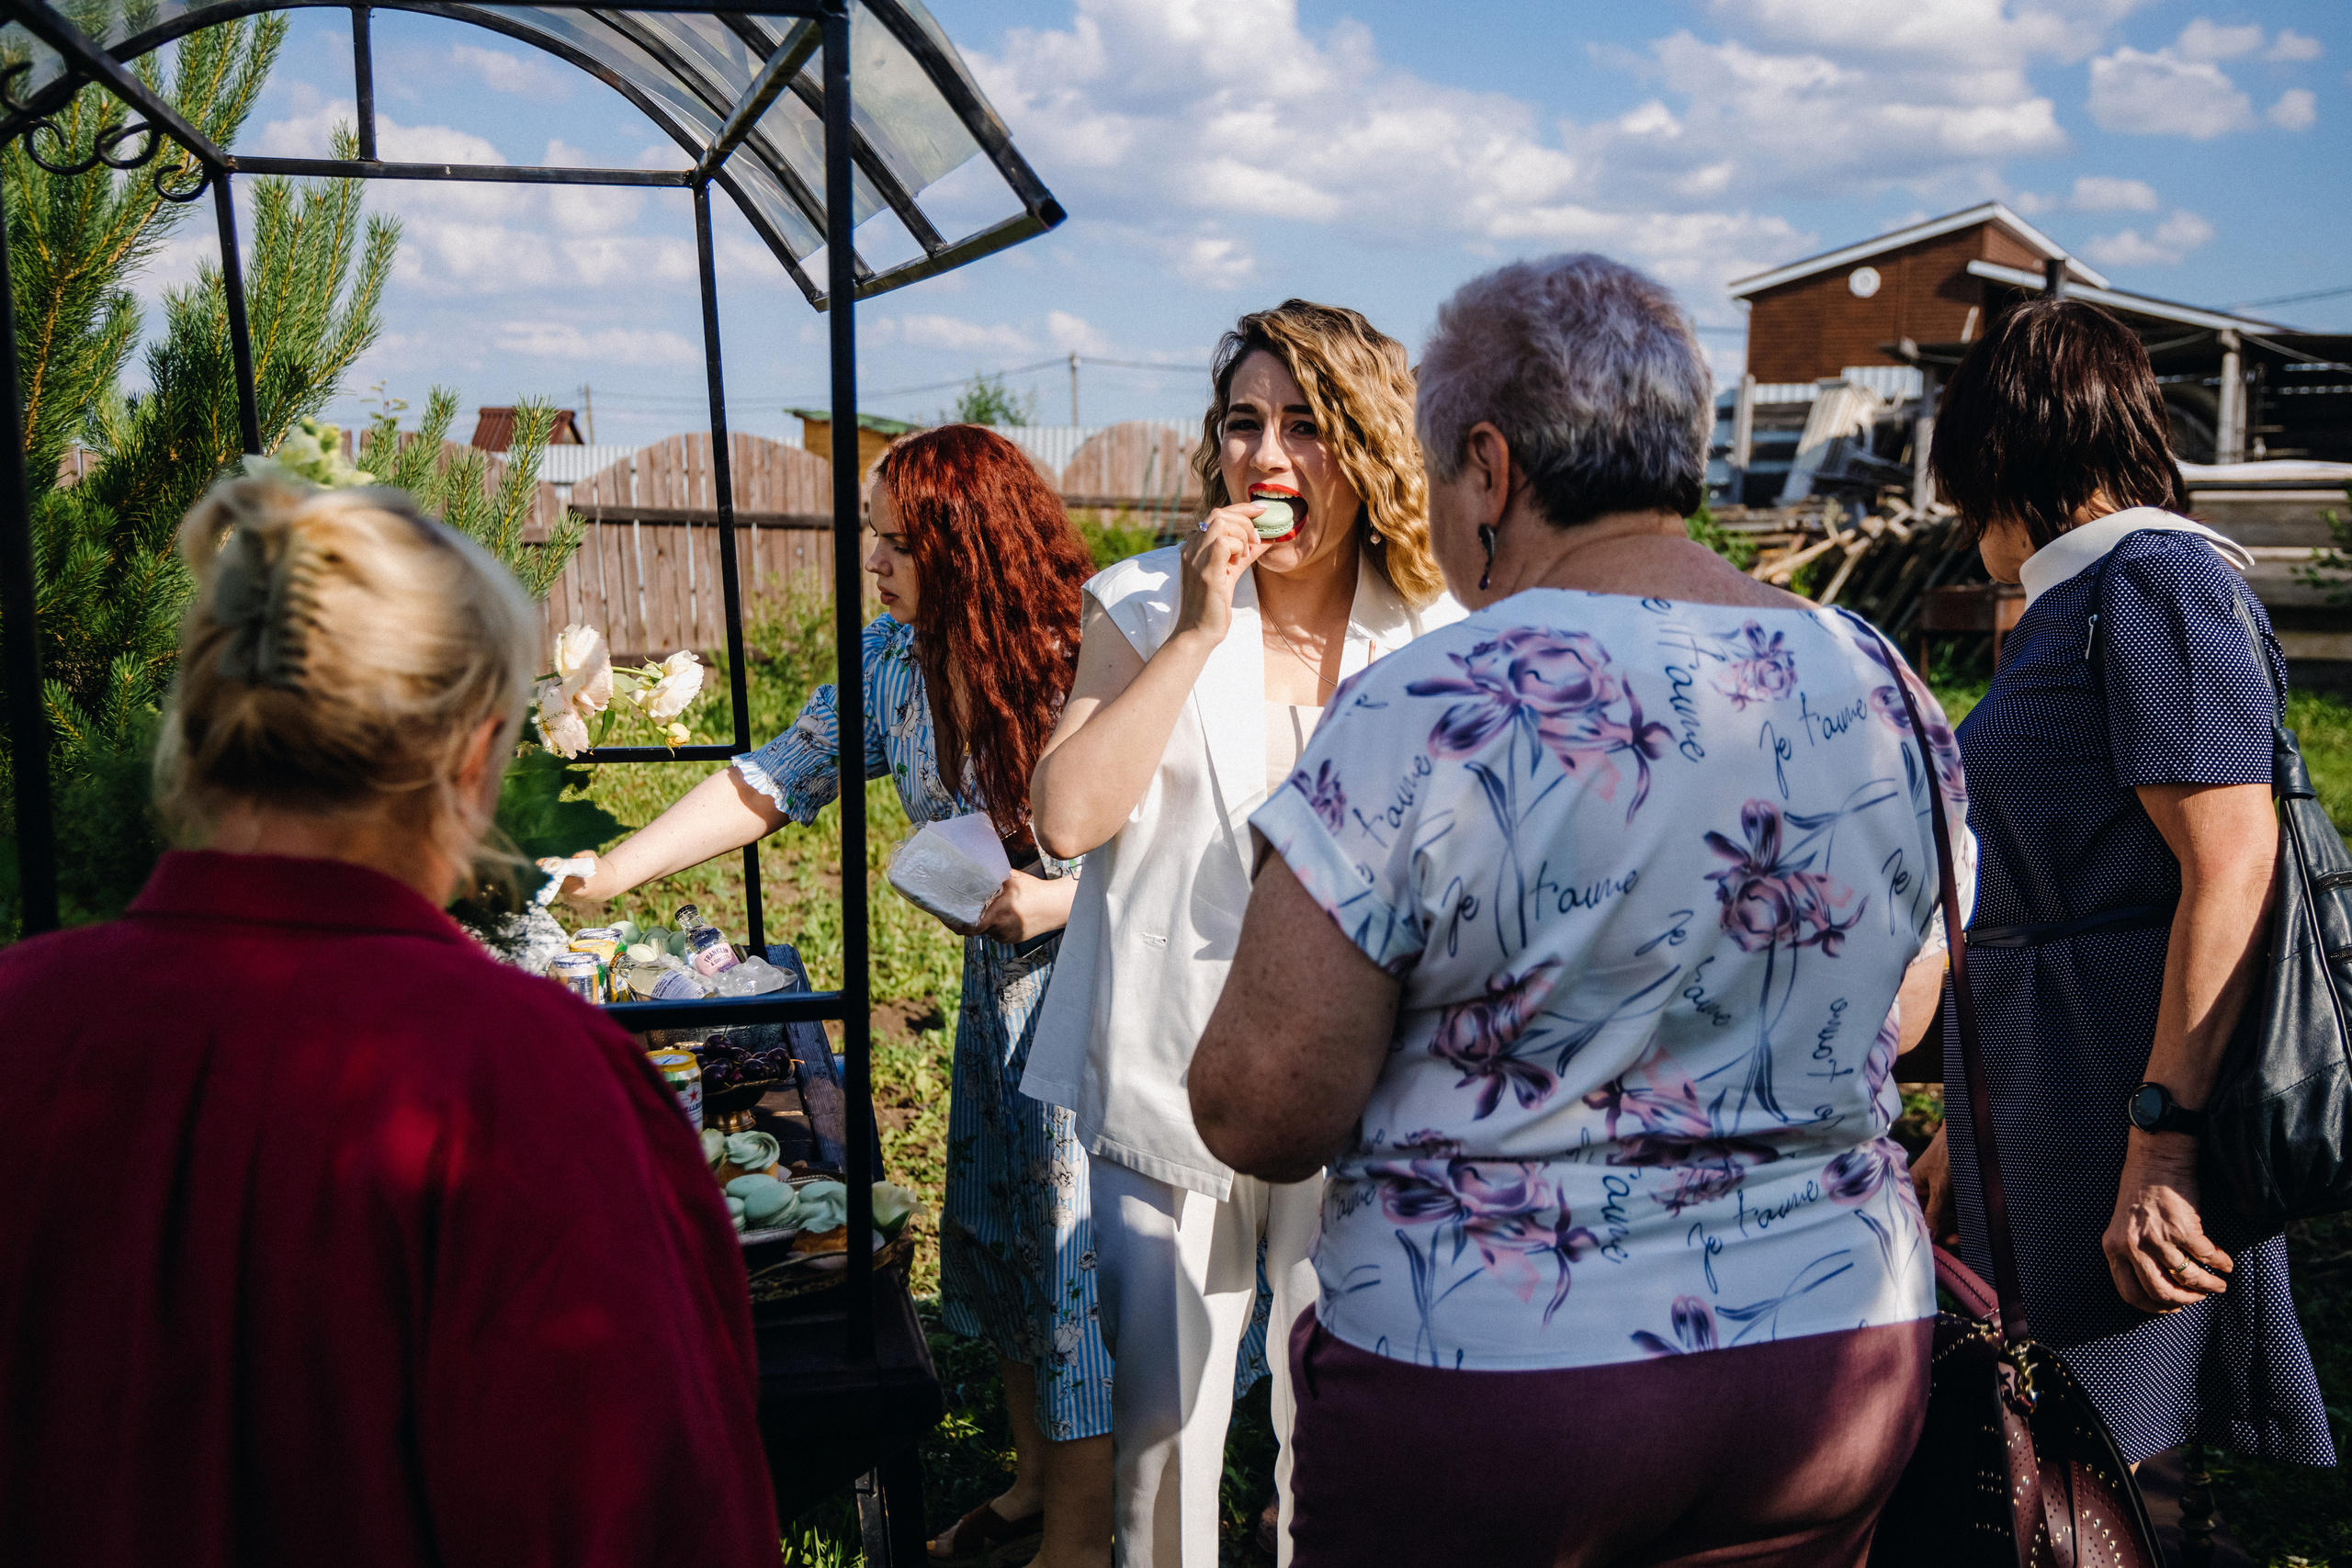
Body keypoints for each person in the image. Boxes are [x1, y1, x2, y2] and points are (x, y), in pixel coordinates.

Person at [1187, 254, 1959, 1568]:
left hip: (1504, 1387)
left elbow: (1263, 1104)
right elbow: (1915, 994)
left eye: (1435, 474)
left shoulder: (1428, 704)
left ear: (1491, 467)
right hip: (1836, 1356)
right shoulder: (1877, 675)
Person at [0, 477, 776, 1565]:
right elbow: (644, 1515)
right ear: (472, 754)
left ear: (202, 730)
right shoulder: (530, 1082)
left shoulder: (19, 1019)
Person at [558, 424, 1116, 1567]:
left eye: (897, 542)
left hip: (1098, 993)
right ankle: (1028, 1483)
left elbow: (1181, 838)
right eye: (872, 538)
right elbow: (777, 773)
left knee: (1076, 1269)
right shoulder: (894, 663)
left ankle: (1082, 1535)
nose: (874, 562)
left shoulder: (1080, 655)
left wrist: (1063, 906)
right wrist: (607, 871)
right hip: (992, 995)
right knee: (1006, 1239)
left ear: (971, 546)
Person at [1023, 299, 1462, 1568]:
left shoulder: (1435, 632)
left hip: (1365, 1083)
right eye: (1243, 422)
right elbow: (1065, 816)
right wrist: (1198, 634)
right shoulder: (1143, 598)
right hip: (1167, 1077)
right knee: (1162, 1435)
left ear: (1370, 448)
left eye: (1306, 426)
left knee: (1338, 1418)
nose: (1266, 458)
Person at [1907, 299, 2333, 1472]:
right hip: (2044, 1084)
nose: (1964, 526)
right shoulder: (2082, 599)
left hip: (2119, 1082)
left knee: (2102, 1452)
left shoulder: (2157, 584)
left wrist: (2163, 1146)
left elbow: (2231, 864)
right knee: (2037, 1447)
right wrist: (1971, 1116)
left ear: (2004, 456)